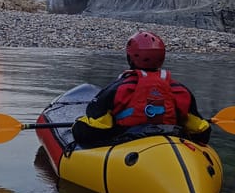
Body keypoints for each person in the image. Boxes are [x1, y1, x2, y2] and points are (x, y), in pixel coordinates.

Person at [73, 30, 211, 147]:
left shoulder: (117, 90)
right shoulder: (181, 91)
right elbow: (202, 132)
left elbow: (91, 131)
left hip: (128, 146)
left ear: (130, 58)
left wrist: (77, 125)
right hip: (169, 144)